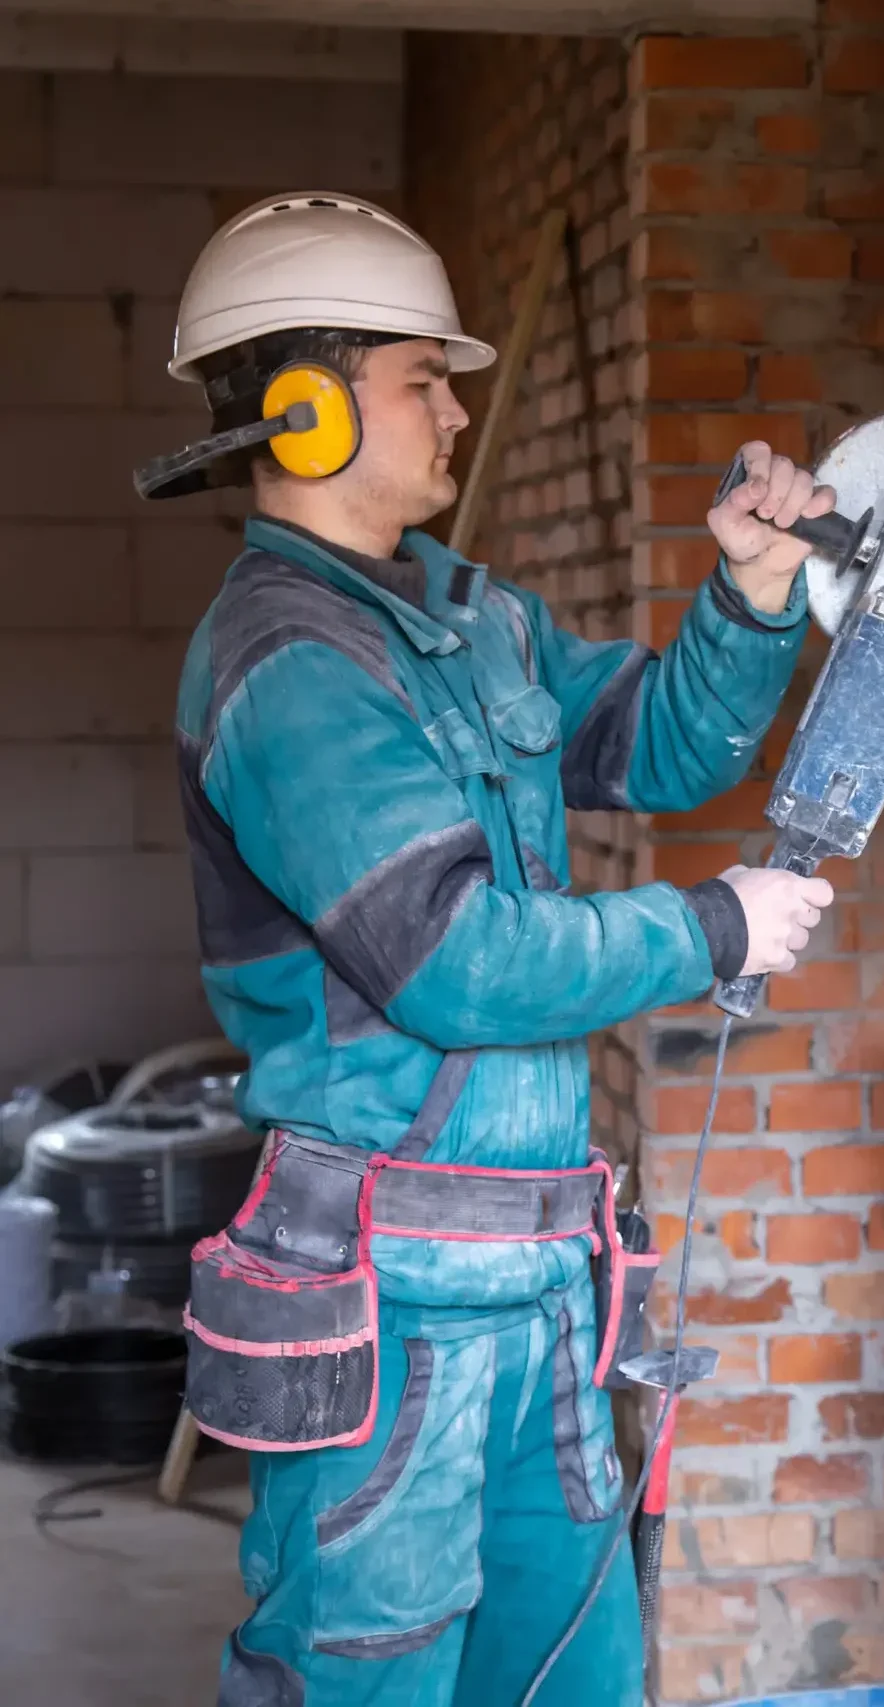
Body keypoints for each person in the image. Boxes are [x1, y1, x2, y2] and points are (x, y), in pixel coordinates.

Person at [139, 191, 834, 1707]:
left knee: (570, 1671)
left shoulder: (467, 616)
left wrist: (754, 589)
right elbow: (453, 958)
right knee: (370, 1676)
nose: (455, 408)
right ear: (307, 414)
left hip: (541, 1281)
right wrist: (709, 926)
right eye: (421, 379)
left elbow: (658, 743)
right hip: (389, 1303)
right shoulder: (286, 667)